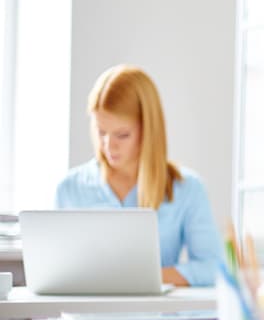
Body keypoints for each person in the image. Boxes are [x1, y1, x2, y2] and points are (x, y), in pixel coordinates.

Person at [56, 65, 221, 286]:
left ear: (148, 130)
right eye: (101, 132)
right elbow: (57, 272)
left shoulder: (187, 188)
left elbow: (211, 267)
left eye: (122, 135)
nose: (108, 145)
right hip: (88, 317)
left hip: (155, 318)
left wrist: (141, 280)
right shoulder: (69, 188)